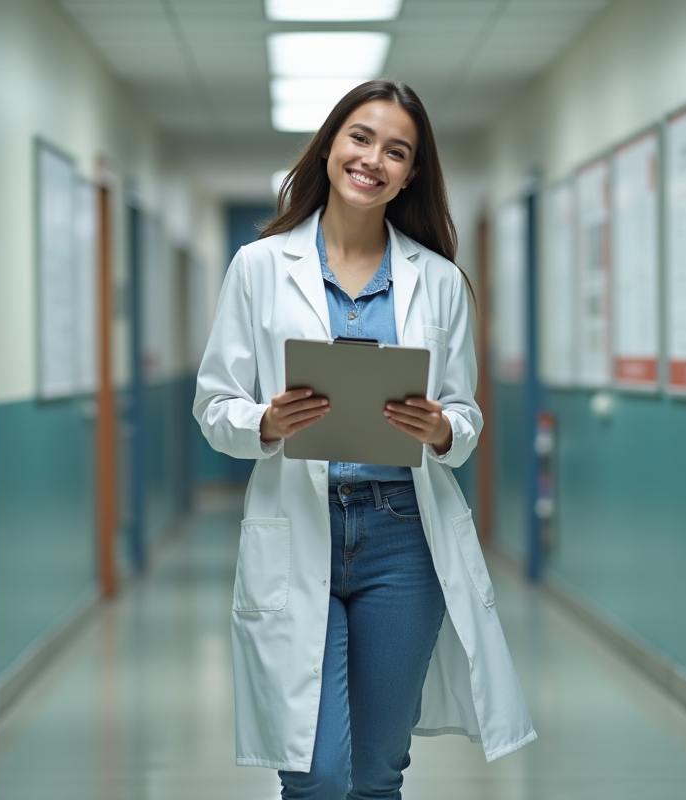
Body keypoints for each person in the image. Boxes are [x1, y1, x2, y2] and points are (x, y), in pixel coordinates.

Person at [193, 79, 536, 799]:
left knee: (378, 771)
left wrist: (443, 429)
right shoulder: (259, 269)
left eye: (396, 151)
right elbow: (214, 405)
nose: (373, 158)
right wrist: (265, 422)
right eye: (360, 137)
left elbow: (464, 418)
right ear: (330, 146)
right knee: (314, 774)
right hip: (299, 527)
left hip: (402, 537)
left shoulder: (438, 282)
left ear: (411, 173)